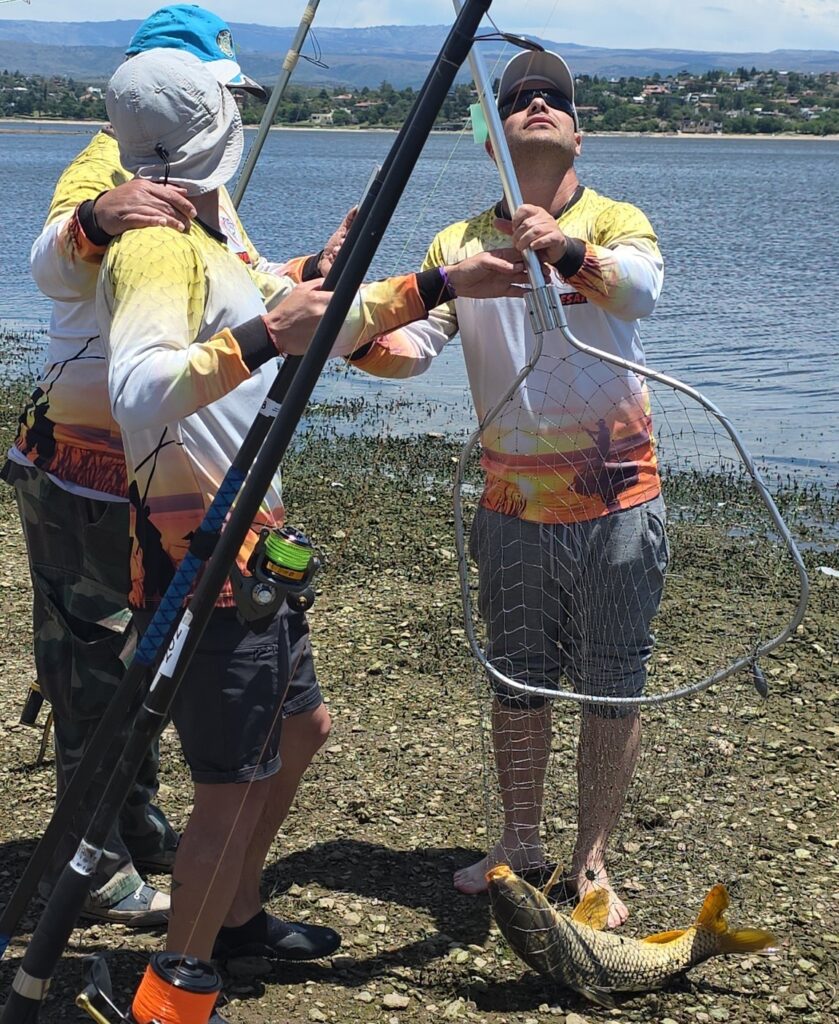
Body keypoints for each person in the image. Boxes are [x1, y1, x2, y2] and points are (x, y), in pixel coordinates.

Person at [98, 44, 528, 991]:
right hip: (198, 560)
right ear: (208, 122)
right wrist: (262, 337)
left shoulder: (209, 232)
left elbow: (312, 317)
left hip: (253, 551)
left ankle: (236, 919)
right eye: (230, 105)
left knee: (301, 733)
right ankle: (179, 983)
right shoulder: (158, 246)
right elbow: (138, 390)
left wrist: (442, 284)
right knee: (230, 785)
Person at [1, 4, 357, 940]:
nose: (233, 110)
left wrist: (301, 278)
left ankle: (135, 818)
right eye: (223, 92)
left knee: (147, 661)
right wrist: (93, 215)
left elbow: (233, 281)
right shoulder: (112, 157)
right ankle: (99, 863)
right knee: (96, 666)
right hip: (89, 471)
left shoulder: (201, 180)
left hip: (159, 468)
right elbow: (51, 267)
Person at [346, 49, 668, 929]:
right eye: (516, 97)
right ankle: (518, 843)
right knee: (518, 679)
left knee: (612, 681)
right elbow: (413, 352)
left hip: (618, 497)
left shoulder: (616, 217)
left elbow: (639, 292)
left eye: (552, 99)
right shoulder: (456, 244)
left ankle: (590, 858)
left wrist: (561, 247)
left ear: (576, 132)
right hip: (512, 505)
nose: (533, 104)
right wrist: (352, 326)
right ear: (491, 136)